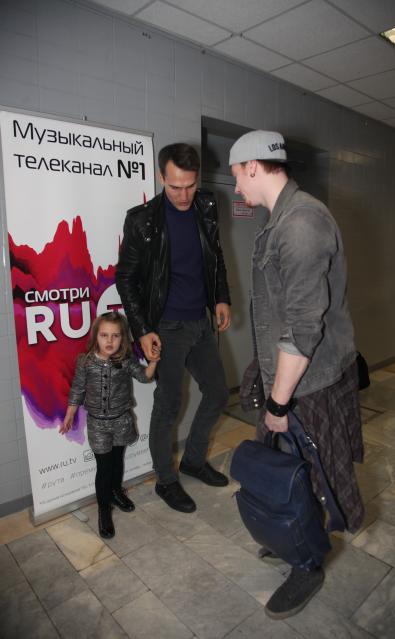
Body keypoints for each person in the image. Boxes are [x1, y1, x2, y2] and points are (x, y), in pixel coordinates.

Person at [229, 130, 364, 619]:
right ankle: (291, 532)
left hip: (308, 385)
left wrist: (279, 402)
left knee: (310, 476)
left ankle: (307, 563)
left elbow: (304, 326)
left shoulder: (302, 222)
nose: (235, 187)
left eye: (236, 175)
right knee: (283, 473)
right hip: (286, 377)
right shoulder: (280, 220)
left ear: (252, 166)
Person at [115, 143, 231, 514]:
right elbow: (125, 277)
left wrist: (221, 298)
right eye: (175, 186)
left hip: (200, 320)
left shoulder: (207, 205)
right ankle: (166, 480)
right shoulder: (142, 220)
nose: (183, 195)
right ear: (161, 177)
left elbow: (215, 258)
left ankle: (193, 460)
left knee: (217, 392)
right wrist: (143, 329)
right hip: (166, 326)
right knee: (168, 405)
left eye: (190, 185)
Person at [60, 312, 157, 539]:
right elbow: (77, 388)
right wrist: (70, 413)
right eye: (104, 335)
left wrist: (153, 361)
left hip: (122, 421)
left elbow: (145, 377)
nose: (110, 341)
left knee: (117, 461)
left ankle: (115, 492)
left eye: (115, 336)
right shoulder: (85, 362)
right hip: (98, 425)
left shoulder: (126, 361)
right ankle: (104, 510)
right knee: (104, 467)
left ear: (123, 338)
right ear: (96, 336)